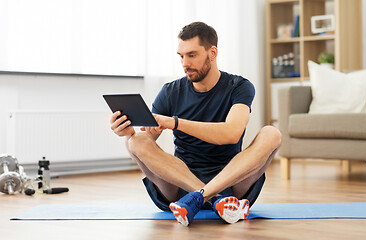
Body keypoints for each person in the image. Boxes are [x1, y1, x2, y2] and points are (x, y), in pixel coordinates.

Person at [110, 22, 281, 226]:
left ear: (212, 52)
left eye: (192, 55)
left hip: (230, 180)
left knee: (272, 134)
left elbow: (231, 133)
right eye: (181, 56)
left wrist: (175, 123)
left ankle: (202, 196)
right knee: (135, 142)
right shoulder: (170, 91)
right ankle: (215, 200)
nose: (185, 63)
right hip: (180, 184)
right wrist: (127, 132)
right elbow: (145, 141)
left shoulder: (239, 87)